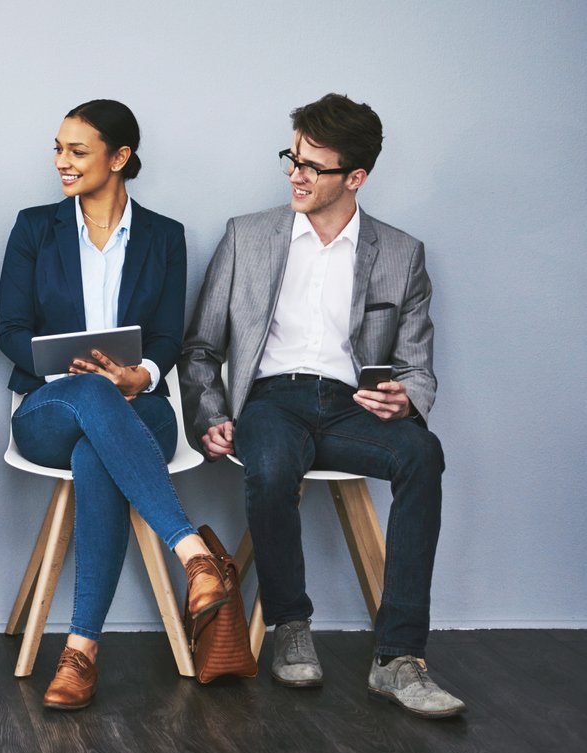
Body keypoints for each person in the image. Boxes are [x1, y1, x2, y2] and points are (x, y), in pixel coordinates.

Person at [180, 93, 465, 718]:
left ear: (354, 178)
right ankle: (290, 625)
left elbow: (418, 363)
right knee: (274, 464)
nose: (295, 174)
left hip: (348, 408)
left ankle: (398, 658)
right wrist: (210, 415)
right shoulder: (247, 236)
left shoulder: (400, 252)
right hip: (271, 402)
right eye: (292, 157)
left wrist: (405, 398)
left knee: (423, 454)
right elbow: (201, 346)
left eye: (312, 166)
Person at [0, 100, 232, 711]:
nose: (61, 163)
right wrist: (69, 367)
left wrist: (142, 373)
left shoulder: (165, 236)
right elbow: (10, 328)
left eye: (77, 151)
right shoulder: (33, 227)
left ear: (120, 158)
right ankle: (194, 553)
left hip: (137, 407)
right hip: (48, 407)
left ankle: (81, 653)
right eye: (58, 149)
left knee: (98, 450)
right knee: (91, 401)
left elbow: (166, 340)